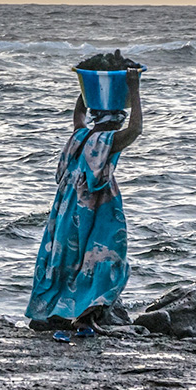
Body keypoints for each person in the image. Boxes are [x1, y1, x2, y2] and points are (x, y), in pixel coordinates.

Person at [25, 67, 142, 340]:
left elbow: (78, 115)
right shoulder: (108, 140)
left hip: (66, 209)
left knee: (66, 258)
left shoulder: (80, 137)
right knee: (107, 257)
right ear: (116, 119)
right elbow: (136, 129)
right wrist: (134, 88)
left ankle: (55, 313)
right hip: (96, 207)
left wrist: (87, 87)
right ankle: (85, 315)